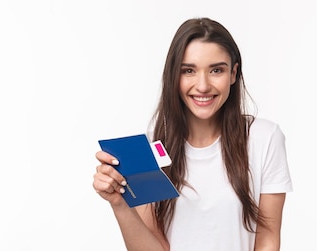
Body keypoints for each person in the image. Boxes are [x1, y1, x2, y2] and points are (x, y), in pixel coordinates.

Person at [92, 17, 293, 251]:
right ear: (173, 76)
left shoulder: (264, 138)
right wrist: (119, 202)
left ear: (233, 73)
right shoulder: (147, 149)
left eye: (216, 70)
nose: (203, 85)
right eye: (188, 71)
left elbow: (268, 238)